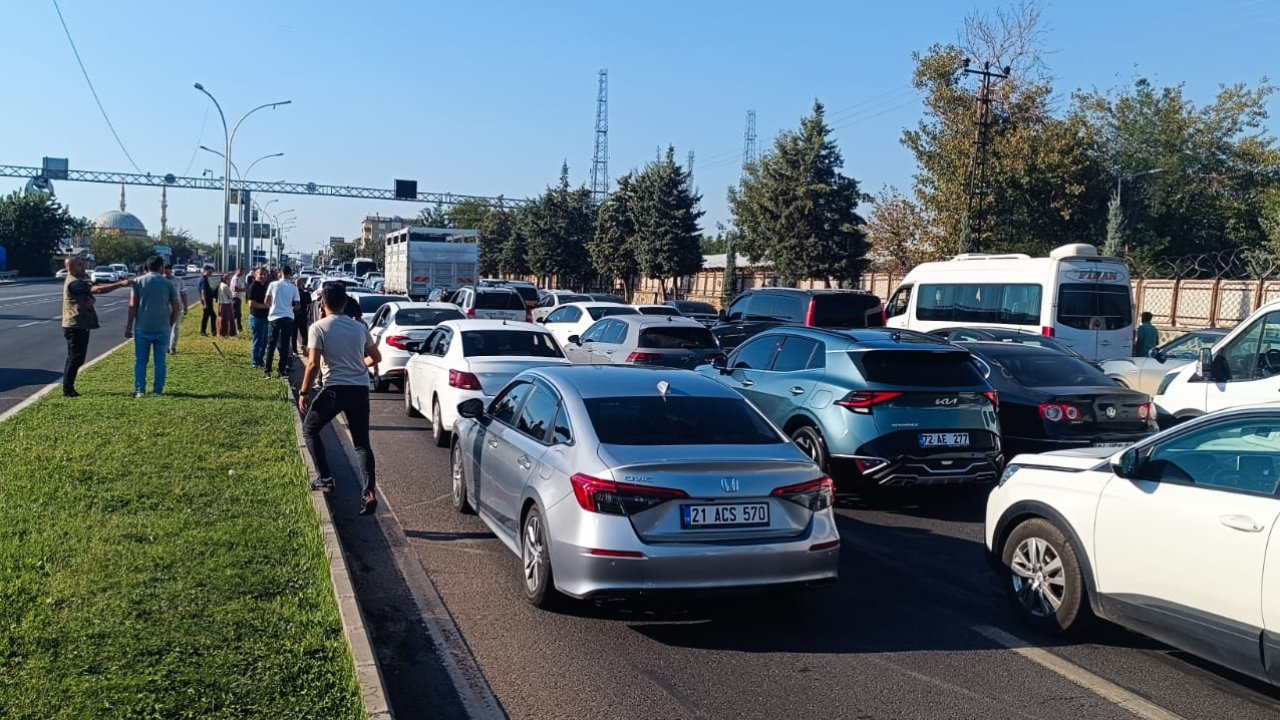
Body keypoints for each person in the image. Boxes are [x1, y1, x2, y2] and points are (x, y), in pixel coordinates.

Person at [300, 284, 381, 515]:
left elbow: (313, 365)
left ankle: (326, 477)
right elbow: (376, 357)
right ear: (345, 303)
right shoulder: (359, 327)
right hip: (359, 390)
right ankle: (369, 493)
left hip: (335, 389)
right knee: (362, 444)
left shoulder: (318, 328)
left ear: (322, 303)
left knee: (310, 429)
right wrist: (358, 365)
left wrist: (303, 392)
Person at [60, 257, 132, 397]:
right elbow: (97, 290)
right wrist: (121, 284)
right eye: (80, 265)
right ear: (71, 268)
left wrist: (90, 300)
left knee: (77, 358)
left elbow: (90, 297)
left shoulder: (77, 282)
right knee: (75, 358)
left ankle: (69, 388)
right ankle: (68, 390)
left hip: (80, 324)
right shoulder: (74, 283)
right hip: (75, 325)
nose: (83, 267)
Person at [126, 255, 182, 398]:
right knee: (160, 362)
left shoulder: (138, 282)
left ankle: (140, 391)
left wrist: (128, 326)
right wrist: (170, 324)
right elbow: (177, 308)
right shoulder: (168, 283)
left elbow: (133, 306)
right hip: (162, 328)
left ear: (146, 267)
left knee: (140, 362)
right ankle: (158, 391)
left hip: (142, 327)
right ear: (161, 267)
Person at [264, 266, 301, 379]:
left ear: (280, 273)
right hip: (288, 317)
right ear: (290, 274)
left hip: (274, 317)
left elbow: (266, 301)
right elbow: (298, 305)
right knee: (285, 345)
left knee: (271, 344)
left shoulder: (273, 284)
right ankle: (282, 370)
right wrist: (289, 309)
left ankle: (267, 371)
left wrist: (273, 307)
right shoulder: (293, 287)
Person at [247, 267, 271, 369]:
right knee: (258, 341)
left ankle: (261, 361)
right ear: (255, 275)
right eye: (261, 274)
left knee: (264, 342)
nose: (263, 276)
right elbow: (251, 303)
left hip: (266, 318)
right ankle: (256, 363)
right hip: (257, 318)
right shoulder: (253, 287)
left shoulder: (266, 286)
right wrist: (265, 306)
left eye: (265, 274)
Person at [164, 263, 190, 354]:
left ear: (171, 270)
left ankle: (173, 347)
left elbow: (184, 294)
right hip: (163, 309)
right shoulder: (160, 281)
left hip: (177, 308)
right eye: (165, 270)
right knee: (165, 328)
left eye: (168, 270)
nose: (167, 272)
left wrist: (186, 306)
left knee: (175, 327)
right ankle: (165, 347)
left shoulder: (179, 281)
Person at [293, 276, 313, 354]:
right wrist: (310, 314)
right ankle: (304, 346)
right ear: (302, 285)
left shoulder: (293, 294)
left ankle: (294, 350)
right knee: (304, 333)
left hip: (294, 315)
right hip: (303, 315)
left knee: (294, 334)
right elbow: (310, 305)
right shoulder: (306, 294)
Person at [198, 265, 218, 335]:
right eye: (210, 272)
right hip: (207, 301)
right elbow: (203, 292)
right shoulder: (203, 280)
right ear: (205, 271)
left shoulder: (205, 279)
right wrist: (205, 303)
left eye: (211, 272)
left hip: (208, 300)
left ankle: (203, 331)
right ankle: (213, 331)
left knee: (206, 316)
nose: (211, 274)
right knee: (213, 316)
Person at [217, 273, 236, 337]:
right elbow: (231, 296)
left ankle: (220, 332)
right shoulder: (225, 286)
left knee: (221, 318)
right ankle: (226, 333)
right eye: (228, 278)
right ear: (225, 279)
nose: (230, 280)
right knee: (227, 319)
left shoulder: (221, 285)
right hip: (226, 304)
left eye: (230, 278)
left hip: (221, 303)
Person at [230, 267, 246, 333]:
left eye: (242, 272)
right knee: (235, 314)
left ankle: (239, 328)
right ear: (236, 271)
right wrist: (244, 289)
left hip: (238, 298)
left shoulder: (238, 278)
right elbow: (235, 289)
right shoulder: (235, 278)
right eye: (240, 271)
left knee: (238, 314)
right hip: (235, 298)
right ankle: (232, 329)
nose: (242, 273)